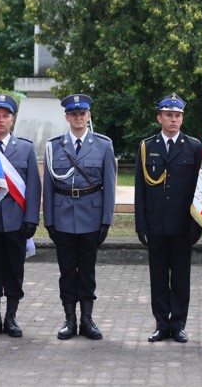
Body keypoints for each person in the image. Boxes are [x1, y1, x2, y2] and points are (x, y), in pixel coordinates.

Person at [43, 94, 116, 341]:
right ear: (67, 117)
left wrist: (106, 220)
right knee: (66, 272)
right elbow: (49, 186)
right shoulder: (54, 146)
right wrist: (49, 221)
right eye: (73, 114)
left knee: (87, 271)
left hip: (91, 216)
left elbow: (109, 186)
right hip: (63, 216)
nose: (78, 118)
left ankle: (87, 320)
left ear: (89, 116)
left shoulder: (104, 145)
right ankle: (69, 320)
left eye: (82, 113)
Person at [134, 92, 202, 344]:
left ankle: (179, 324)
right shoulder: (146, 147)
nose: (174, 120)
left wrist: (197, 225)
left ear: (182, 119)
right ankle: (161, 324)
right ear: (159, 117)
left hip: (183, 225)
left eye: (178, 116)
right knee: (159, 276)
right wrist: (140, 224)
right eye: (169, 115)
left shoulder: (194, 147)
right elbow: (140, 189)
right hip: (156, 224)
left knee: (181, 277)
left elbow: (200, 188)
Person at [0, 94, 41, 338]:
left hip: (16, 221)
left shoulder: (25, 148)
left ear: (12, 119)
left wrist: (31, 219)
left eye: (5, 116)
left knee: (15, 271)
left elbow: (34, 187)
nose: (0, 120)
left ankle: (11, 317)